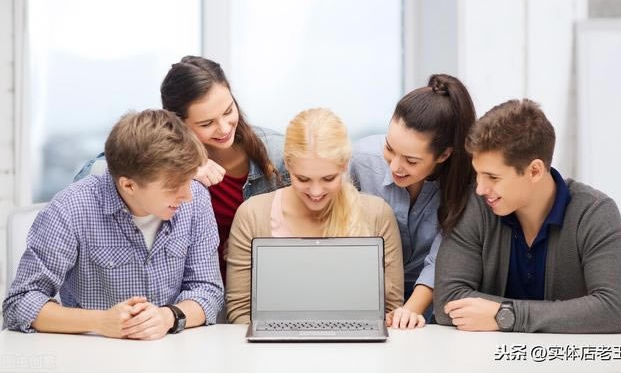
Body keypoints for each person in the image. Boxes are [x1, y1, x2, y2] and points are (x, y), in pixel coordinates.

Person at [3, 110, 224, 339]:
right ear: (129, 186)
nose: (187, 196)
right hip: (90, 351)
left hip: (171, 350)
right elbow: (20, 302)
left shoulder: (196, 199)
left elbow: (208, 290)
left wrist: (168, 316)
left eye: (188, 180)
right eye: (173, 187)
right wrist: (101, 322)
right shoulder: (70, 209)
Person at [74, 56, 289, 284]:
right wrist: (184, 167)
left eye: (228, 111)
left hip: (257, 288)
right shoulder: (156, 156)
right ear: (177, 122)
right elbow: (90, 177)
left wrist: (253, 241)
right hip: (183, 294)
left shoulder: (277, 154)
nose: (224, 128)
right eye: (207, 124)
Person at [434, 99, 621, 333]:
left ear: (535, 171)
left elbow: (614, 311)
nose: (480, 188)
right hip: (488, 353)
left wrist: (506, 315)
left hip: (569, 355)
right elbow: (448, 300)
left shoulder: (594, 213)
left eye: (493, 177)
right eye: (478, 174)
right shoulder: (476, 206)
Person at [225, 108, 404, 323]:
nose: (316, 192)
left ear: (345, 165)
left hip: (356, 343)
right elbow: (240, 313)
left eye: (328, 178)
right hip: (275, 343)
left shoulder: (377, 215)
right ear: (288, 165)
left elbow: (392, 311)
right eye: (303, 179)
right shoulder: (252, 215)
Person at [351, 74, 476, 329]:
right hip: (366, 297)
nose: (395, 166)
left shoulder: (466, 183)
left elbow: (442, 258)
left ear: (443, 155)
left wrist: (409, 311)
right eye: (389, 148)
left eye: (411, 160)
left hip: (434, 305)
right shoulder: (361, 160)